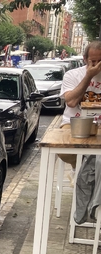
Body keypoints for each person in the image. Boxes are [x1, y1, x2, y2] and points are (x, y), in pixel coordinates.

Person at [58, 40, 101, 173]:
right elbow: (70, 102)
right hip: (73, 122)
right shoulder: (72, 75)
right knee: (63, 149)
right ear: (85, 59)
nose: (97, 65)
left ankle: (87, 172)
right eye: (93, 61)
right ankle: (82, 168)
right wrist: (88, 76)